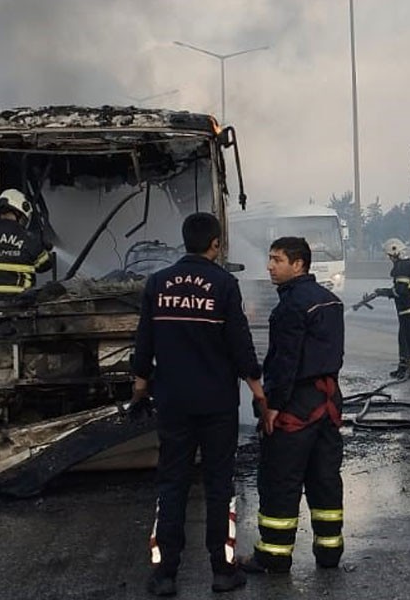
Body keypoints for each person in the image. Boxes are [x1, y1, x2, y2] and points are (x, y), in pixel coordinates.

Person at [131, 211, 265, 596]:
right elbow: (239, 342)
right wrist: (257, 388)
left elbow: (145, 342)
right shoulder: (224, 284)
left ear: (184, 241)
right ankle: (223, 572)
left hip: (173, 401)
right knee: (219, 485)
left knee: (171, 484)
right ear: (216, 244)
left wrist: (140, 384)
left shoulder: (158, 283)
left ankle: (164, 574)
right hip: (217, 404)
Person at [239, 236, 346, 575]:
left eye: (277, 260)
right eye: (270, 259)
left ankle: (273, 555)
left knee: (280, 479)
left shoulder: (290, 307)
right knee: (325, 477)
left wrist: (271, 406)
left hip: (296, 405)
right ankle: (329, 553)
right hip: (328, 402)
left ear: (298, 264)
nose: (270, 266)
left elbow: (284, 363)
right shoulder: (330, 302)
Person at [0, 188, 54, 296]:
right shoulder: (28, 238)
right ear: (20, 213)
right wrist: (45, 249)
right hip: (19, 299)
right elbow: (44, 266)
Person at [375, 238, 410, 379]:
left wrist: (385, 292)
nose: (390, 259)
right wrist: (383, 291)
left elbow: (400, 290)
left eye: (390, 256)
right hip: (406, 309)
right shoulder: (405, 265)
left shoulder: (402, 267)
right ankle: (404, 368)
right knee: (404, 339)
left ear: (395, 253)